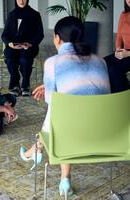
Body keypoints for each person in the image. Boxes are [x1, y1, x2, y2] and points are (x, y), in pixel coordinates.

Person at [20, 16, 110, 197]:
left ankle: (36, 149)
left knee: (58, 110)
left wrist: (51, 88)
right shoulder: (101, 61)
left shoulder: (53, 63)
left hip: (69, 136)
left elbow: (54, 103)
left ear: (57, 38)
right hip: (105, 133)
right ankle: (63, 176)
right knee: (67, 108)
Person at [1, 0, 44, 97]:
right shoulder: (11, 14)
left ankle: (25, 85)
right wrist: (10, 43)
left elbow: (40, 34)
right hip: (14, 46)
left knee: (24, 59)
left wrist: (30, 44)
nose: (21, 1)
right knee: (10, 59)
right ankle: (15, 84)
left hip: (29, 46)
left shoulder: (35, 15)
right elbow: (4, 35)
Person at [104, 0, 130, 93]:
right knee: (102, 63)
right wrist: (118, 49)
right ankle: (110, 94)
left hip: (128, 53)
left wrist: (127, 53)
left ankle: (124, 96)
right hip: (124, 51)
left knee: (114, 70)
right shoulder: (124, 15)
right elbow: (119, 36)